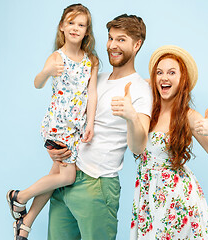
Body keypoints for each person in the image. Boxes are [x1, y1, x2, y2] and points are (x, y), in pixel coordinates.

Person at [46, 14, 152, 240]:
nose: (112, 45)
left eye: (121, 40)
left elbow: (139, 146)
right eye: (110, 38)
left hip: (97, 185)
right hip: (67, 177)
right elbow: (67, 115)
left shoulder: (141, 89)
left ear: (137, 44)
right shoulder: (96, 76)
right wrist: (56, 149)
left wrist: (131, 116)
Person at [6, 4, 98, 240]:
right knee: (67, 177)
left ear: (87, 30)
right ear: (62, 27)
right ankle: (20, 196)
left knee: (55, 175)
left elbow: (93, 93)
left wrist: (90, 124)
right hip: (58, 125)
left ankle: (25, 223)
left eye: (81, 24)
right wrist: (47, 71)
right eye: (71, 23)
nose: (75, 28)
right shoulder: (57, 57)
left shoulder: (91, 61)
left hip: (76, 129)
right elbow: (37, 83)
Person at [130, 45, 208, 239]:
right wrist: (154, 81)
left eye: (171, 72)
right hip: (147, 196)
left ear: (182, 79)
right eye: (159, 72)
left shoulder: (188, 116)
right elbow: (136, 84)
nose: (164, 77)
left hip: (177, 201)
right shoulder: (148, 109)